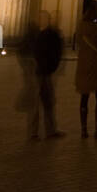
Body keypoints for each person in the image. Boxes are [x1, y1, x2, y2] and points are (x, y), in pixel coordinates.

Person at [25, 10, 65, 141]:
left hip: (45, 72)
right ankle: (33, 133)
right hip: (37, 73)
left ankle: (51, 130)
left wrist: (52, 67)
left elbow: (56, 52)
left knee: (48, 103)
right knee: (36, 104)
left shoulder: (51, 33)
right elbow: (27, 51)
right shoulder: (35, 34)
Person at [75, 1, 97, 138]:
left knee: (84, 96)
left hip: (83, 65)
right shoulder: (96, 28)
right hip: (96, 65)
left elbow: (77, 42)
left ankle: (83, 130)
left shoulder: (80, 27)